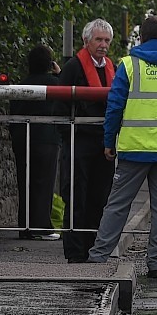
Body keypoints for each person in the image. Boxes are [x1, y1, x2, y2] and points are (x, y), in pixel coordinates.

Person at [86, 16, 157, 278]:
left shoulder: (128, 66)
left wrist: (108, 141)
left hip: (135, 148)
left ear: (140, 38)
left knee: (118, 204)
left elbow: (114, 107)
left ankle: (99, 257)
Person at [56, 18, 118, 263]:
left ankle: (94, 247)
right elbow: (60, 103)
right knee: (75, 195)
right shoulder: (73, 67)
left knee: (99, 196)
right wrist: (67, 136)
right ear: (86, 41)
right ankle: (75, 252)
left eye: (106, 41)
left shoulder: (111, 67)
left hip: (104, 143)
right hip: (79, 140)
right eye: (99, 40)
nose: (103, 45)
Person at [11, 44, 61, 241]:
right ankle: (42, 227)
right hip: (47, 139)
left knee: (25, 182)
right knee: (44, 183)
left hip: (21, 139)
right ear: (50, 64)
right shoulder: (55, 84)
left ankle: (25, 227)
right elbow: (68, 92)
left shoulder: (21, 85)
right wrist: (60, 73)